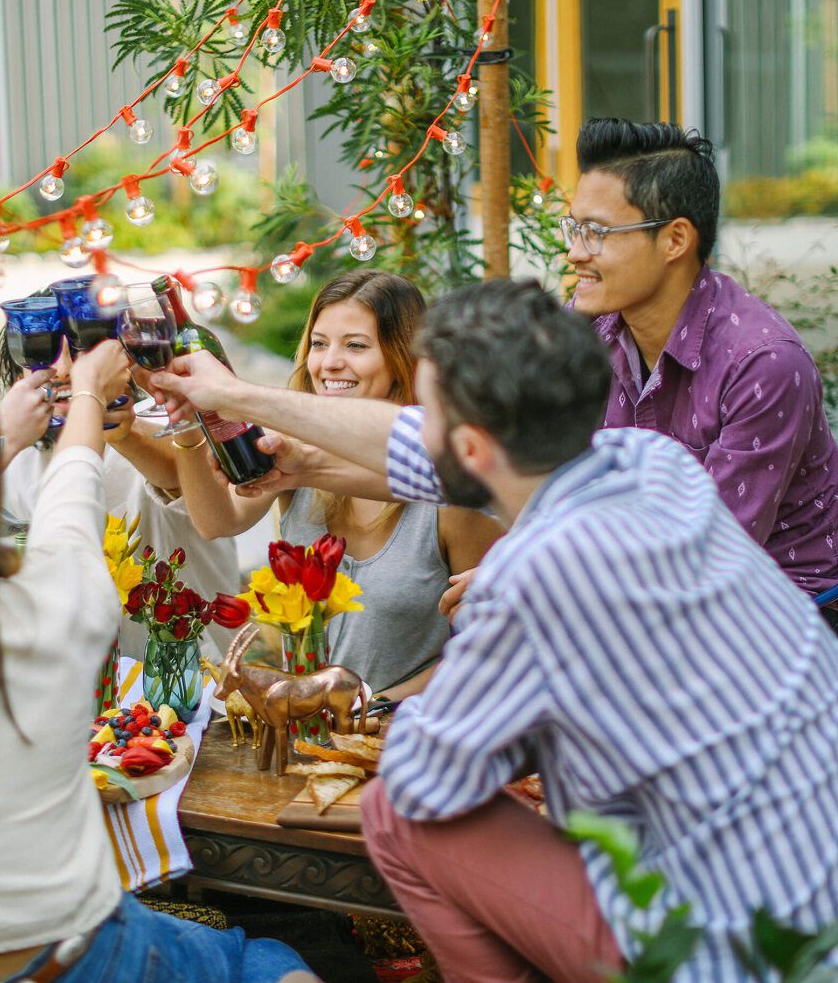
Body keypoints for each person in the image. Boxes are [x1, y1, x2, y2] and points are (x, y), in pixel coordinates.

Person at [153, 280, 838, 982]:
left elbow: (429, 781)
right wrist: (257, 415)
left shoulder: (527, 584)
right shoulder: (649, 463)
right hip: (815, 881)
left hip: (729, 948)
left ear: (471, 442)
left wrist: (396, 707)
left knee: (399, 809)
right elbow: (427, 451)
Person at [0, 349, 317, 983]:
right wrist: (86, 392)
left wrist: (5, 437)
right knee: (265, 959)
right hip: (80, 960)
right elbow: (75, 488)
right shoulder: (60, 594)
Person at [167, 270, 502, 699]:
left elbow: (486, 648)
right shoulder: (292, 449)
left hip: (403, 733)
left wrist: (368, 707)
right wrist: (188, 428)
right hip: (299, 732)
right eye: (320, 344)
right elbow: (217, 520)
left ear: (405, 358)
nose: (329, 363)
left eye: (356, 346)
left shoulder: (448, 489)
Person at [564, 117, 838, 602]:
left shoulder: (763, 363)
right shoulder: (585, 329)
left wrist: (542, 576)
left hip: (781, 614)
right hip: (637, 596)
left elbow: (707, 554)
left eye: (596, 233)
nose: (574, 252)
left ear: (675, 240)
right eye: (574, 227)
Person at [0, 328, 241, 660]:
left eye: (84, 354)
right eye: (44, 354)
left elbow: (178, 473)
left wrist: (120, 430)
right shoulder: (11, 461)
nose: (66, 371)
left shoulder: (165, 419)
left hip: (197, 690)